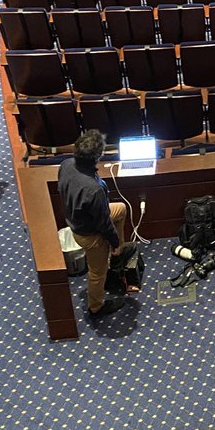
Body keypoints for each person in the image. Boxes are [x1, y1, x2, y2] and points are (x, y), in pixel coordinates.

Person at [59, 130, 129, 318]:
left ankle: (118, 252)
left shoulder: (65, 164)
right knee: (97, 273)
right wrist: (113, 241)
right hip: (88, 234)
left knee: (121, 209)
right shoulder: (94, 189)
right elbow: (104, 223)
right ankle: (96, 307)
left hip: (77, 218)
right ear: (98, 157)